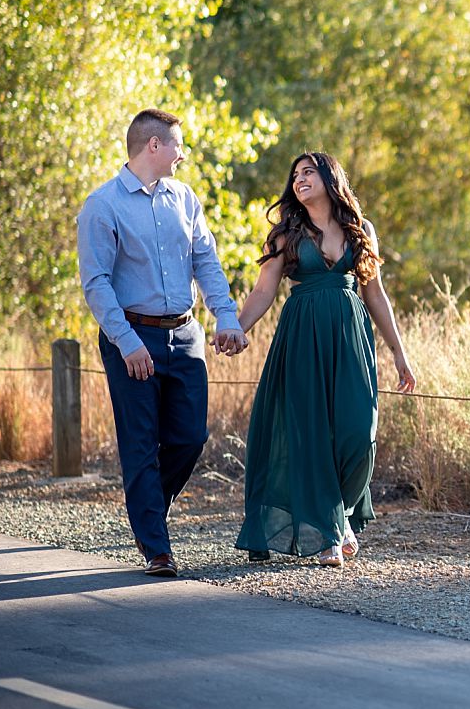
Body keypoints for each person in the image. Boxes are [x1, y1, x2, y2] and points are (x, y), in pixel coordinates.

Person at [77, 108, 249, 578]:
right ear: (154, 146)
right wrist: (126, 341)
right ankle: (156, 547)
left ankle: (147, 503)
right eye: (178, 145)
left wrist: (227, 316)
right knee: (139, 442)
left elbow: (207, 263)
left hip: (186, 334)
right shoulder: (104, 205)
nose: (183, 154)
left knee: (191, 437)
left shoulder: (185, 198)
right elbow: (95, 283)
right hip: (132, 338)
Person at [234, 151, 415, 566]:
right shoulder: (285, 235)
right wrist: (235, 328)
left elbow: (375, 294)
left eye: (308, 172)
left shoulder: (360, 229)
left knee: (358, 434)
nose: (299, 179)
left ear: (330, 178)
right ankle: (333, 532)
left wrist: (399, 353)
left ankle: (342, 515)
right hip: (301, 339)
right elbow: (263, 292)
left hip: (351, 341)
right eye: (294, 174)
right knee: (312, 436)